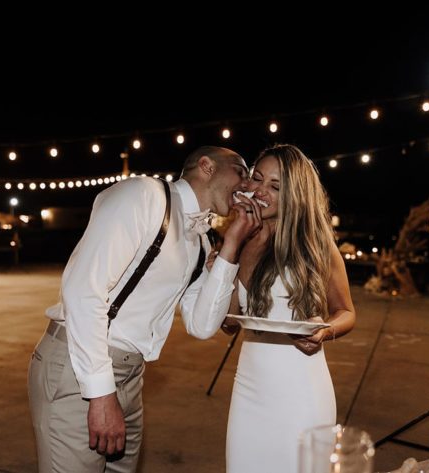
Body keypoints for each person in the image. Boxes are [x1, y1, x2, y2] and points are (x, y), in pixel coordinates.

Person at [28, 146, 259, 472]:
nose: (248, 184)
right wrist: (101, 395)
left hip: (131, 377)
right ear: (206, 166)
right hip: (80, 368)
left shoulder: (200, 241)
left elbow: (203, 324)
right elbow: (83, 290)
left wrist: (231, 246)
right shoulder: (143, 195)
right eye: (241, 171)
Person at [205, 144, 356, 473]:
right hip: (249, 389)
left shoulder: (316, 243)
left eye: (275, 186)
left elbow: (347, 312)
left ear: (294, 195)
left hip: (301, 391)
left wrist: (324, 331)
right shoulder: (240, 239)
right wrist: (220, 270)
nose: (261, 190)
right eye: (258, 178)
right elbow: (229, 324)